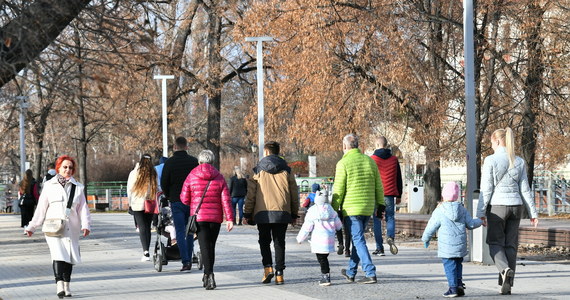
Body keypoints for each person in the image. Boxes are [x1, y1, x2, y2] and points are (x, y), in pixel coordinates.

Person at [476, 127, 539, 295]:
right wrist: (533, 213)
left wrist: (480, 212)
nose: (491, 146)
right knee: (510, 245)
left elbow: (486, 189)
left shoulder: (490, 160)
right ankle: (507, 285)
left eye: (491, 142)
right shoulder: (518, 161)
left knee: (495, 243)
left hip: (497, 207)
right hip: (516, 207)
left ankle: (504, 270)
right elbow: (525, 189)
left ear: (497, 141)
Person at [25, 155, 91, 298]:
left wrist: (86, 225)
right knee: (58, 254)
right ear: (58, 168)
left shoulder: (78, 187)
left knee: (69, 256)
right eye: (65, 167)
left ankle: (67, 285)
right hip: (52, 228)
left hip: (71, 228)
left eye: (70, 167)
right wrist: (32, 227)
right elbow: (41, 208)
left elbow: (83, 209)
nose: (68, 170)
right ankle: (59, 284)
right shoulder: (49, 186)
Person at [244, 141, 300, 285]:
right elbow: (294, 193)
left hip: (262, 212)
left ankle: (268, 268)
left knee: (264, 241)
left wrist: (247, 213)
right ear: (277, 152)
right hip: (282, 210)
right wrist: (294, 213)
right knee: (279, 242)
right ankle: (280, 274)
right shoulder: (287, 170)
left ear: (267, 152)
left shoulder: (257, 170)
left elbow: (251, 194)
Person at [332, 134, 384, 284]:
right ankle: (351, 271)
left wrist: (335, 209)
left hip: (351, 209)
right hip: (367, 207)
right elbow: (378, 186)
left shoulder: (343, 163)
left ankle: (370, 272)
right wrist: (380, 205)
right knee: (357, 239)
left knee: (358, 239)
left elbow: (339, 189)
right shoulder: (370, 161)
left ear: (344, 146)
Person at [180, 150, 234, 290]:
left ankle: (208, 275)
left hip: (199, 217)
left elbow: (184, 199)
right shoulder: (219, 176)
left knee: (204, 246)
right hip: (215, 218)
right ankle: (209, 274)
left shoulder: (192, 175)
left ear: (199, 161)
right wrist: (230, 218)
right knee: (211, 246)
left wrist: (193, 202)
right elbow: (226, 200)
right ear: (212, 161)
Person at [422, 182, 483, 298]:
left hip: (446, 247)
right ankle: (459, 285)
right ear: (457, 195)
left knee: (449, 266)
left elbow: (431, 227)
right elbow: (470, 224)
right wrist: (480, 221)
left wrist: (425, 239)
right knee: (458, 264)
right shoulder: (462, 209)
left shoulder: (439, 210)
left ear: (443, 195)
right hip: (460, 245)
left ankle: (453, 288)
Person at [161, 137, 199, 271]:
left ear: (175, 147)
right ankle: (189, 255)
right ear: (186, 147)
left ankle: (186, 261)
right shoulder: (194, 162)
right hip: (192, 201)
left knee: (180, 231)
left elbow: (164, 182)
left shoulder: (170, 163)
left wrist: (168, 195)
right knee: (190, 231)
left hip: (176, 200)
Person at [296, 189, 343, 286]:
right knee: (324, 258)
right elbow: (338, 226)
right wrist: (340, 240)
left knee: (321, 259)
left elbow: (307, 227)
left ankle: (325, 277)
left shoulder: (313, 210)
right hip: (329, 240)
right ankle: (325, 274)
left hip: (318, 240)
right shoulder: (331, 210)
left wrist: (300, 238)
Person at [371, 136, 402, 256]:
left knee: (377, 219)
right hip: (390, 194)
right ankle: (390, 237)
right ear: (386, 144)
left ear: (376, 144)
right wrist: (399, 194)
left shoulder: (372, 159)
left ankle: (379, 248)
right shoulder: (394, 159)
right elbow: (398, 178)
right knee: (390, 217)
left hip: (377, 195)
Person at [127, 154, 158, 262]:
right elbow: (157, 188)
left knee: (142, 227)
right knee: (148, 227)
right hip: (149, 203)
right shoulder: (153, 173)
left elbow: (129, 189)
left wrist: (130, 203)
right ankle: (147, 249)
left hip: (137, 203)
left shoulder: (134, 173)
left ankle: (145, 251)